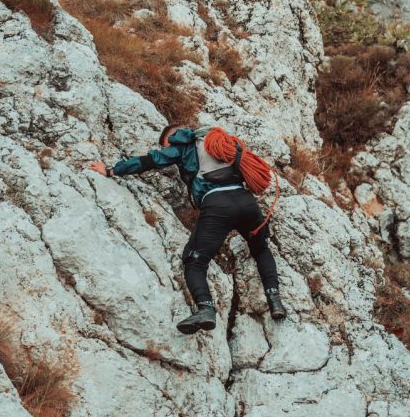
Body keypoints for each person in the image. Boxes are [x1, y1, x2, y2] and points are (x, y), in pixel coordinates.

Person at [89, 124, 287, 335]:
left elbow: (151, 161)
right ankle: (275, 301)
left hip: (217, 204)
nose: (168, 148)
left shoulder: (182, 143)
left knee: (194, 261)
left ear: (173, 137)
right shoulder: (218, 143)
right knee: (261, 249)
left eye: (167, 144)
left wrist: (111, 170)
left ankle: (205, 309)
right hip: (246, 203)